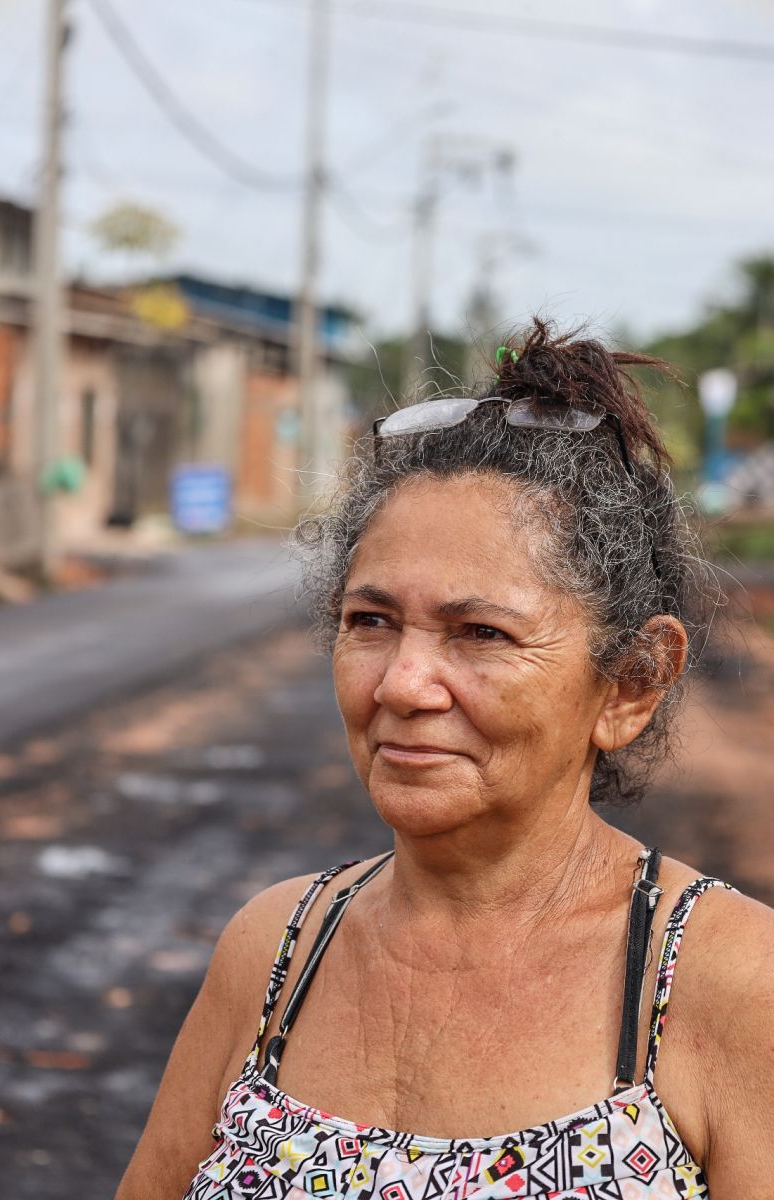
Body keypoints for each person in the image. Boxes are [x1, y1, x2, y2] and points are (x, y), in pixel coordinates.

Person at [116, 320, 773, 1199]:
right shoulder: (274, 952)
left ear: (631, 684)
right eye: (371, 622)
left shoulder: (729, 985)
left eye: (482, 633)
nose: (403, 683)